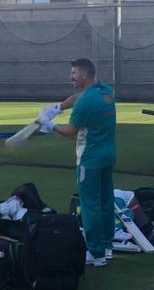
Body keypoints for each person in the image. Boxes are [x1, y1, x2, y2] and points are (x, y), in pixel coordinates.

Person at [37, 58, 116, 267]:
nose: (70, 77)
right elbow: (76, 96)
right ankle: (107, 246)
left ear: (83, 75)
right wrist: (58, 107)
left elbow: (71, 131)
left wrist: (50, 124)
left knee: (90, 205)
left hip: (89, 159)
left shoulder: (86, 102)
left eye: (73, 73)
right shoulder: (106, 91)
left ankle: (96, 253)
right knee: (106, 202)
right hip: (108, 155)